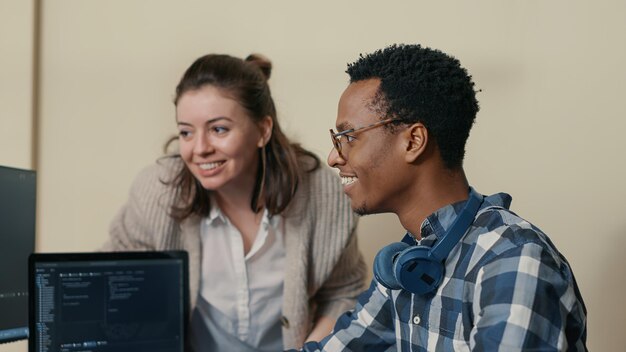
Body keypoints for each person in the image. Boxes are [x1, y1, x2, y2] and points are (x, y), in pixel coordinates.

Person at [296, 44, 587, 351]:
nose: (333, 157)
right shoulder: (407, 263)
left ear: (413, 142)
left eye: (349, 137)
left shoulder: (514, 259)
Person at [102, 53, 367, 351]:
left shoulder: (322, 193)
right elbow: (111, 283)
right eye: (186, 132)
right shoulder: (158, 190)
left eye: (219, 129)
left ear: (263, 130)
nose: (199, 149)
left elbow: (343, 291)